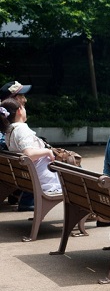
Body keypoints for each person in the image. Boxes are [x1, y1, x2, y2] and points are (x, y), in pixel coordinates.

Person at [0, 98, 61, 195]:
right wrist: (47, 151)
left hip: (30, 180)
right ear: (19, 110)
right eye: (24, 107)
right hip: (47, 183)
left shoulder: (9, 132)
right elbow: (29, 155)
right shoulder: (21, 129)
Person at [0, 81, 34, 210]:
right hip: (23, 170)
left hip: (13, 171)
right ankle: (26, 198)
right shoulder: (18, 128)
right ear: (12, 100)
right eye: (21, 96)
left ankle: (17, 194)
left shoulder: (7, 126)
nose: (25, 100)